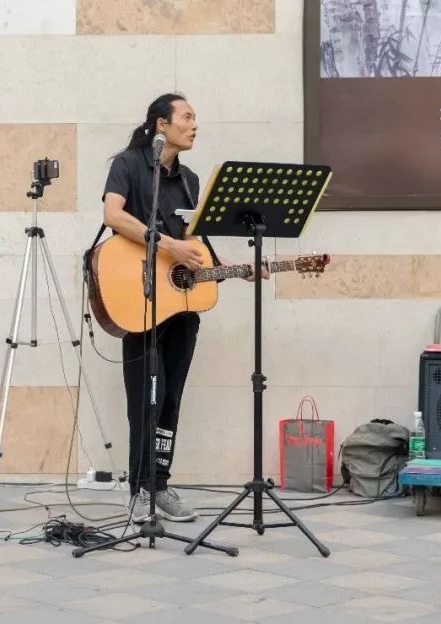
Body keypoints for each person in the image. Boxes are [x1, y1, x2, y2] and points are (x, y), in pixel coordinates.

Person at [100, 93, 267, 523]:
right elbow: (113, 216)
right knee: (144, 399)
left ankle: (160, 484)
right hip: (138, 300)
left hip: (183, 307)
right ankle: (139, 490)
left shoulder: (191, 180)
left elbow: (201, 250)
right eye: (187, 117)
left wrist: (237, 269)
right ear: (161, 124)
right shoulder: (129, 164)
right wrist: (168, 245)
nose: (195, 125)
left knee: (170, 398)